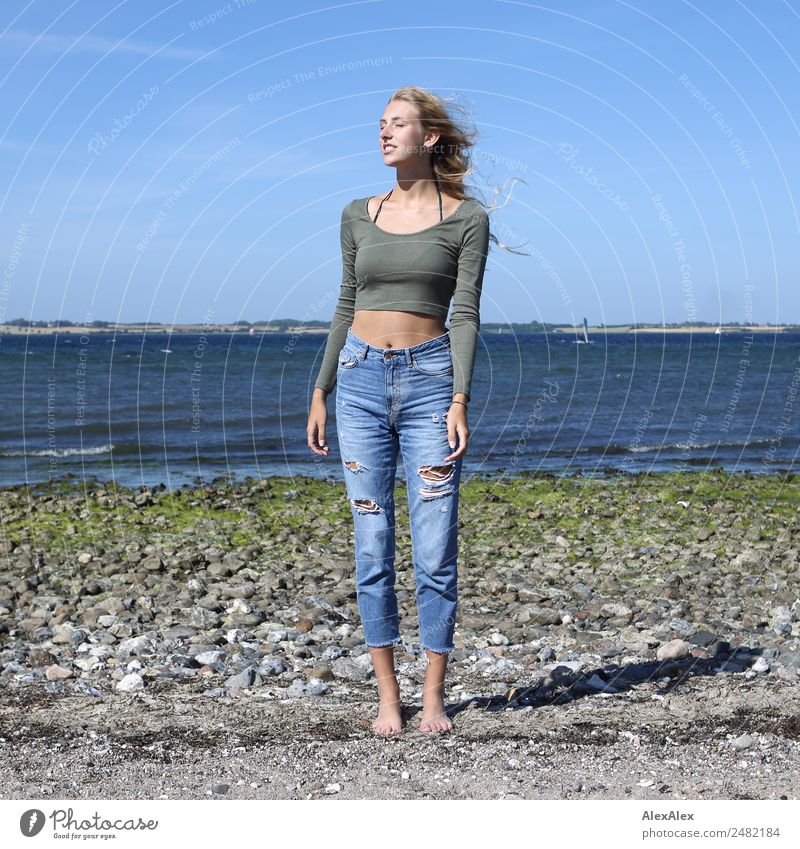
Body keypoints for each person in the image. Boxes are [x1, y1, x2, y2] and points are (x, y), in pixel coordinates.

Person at [307, 86, 492, 735]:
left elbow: (465, 312)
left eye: (398, 124)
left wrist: (461, 397)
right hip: (357, 380)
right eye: (381, 124)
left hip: (431, 381)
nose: (384, 133)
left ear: (430, 136)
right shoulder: (357, 213)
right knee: (372, 542)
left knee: (436, 547)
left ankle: (433, 696)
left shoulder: (467, 217)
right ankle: (388, 696)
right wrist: (321, 387)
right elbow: (344, 302)